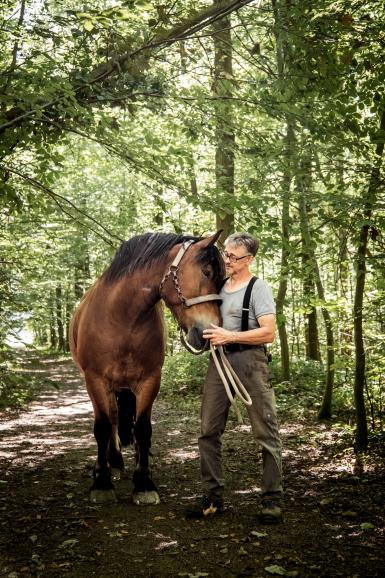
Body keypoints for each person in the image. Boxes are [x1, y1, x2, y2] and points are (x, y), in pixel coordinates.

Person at [186, 232, 283, 524]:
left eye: (233, 256)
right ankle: (212, 498)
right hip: (219, 362)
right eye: (225, 254)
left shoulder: (258, 288)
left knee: (266, 433)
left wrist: (231, 335)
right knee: (208, 430)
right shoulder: (221, 285)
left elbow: (269, 333)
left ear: (249, 259)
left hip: (250, 361)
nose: (226, 260)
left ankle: (271, 500)